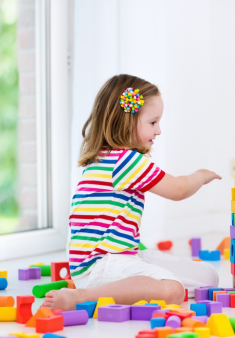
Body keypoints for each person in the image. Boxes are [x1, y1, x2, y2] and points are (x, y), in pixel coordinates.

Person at [43, 74, 221, 310]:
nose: (158, 130)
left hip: (118, 256)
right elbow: (178, 189)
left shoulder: (106, 158)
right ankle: (82, 296)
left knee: (208, 278)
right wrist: (201, 175)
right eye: (153, 122)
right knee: (173, 291)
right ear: (127, 120)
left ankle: (117, 288)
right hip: (101, 263)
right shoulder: (126, 160)